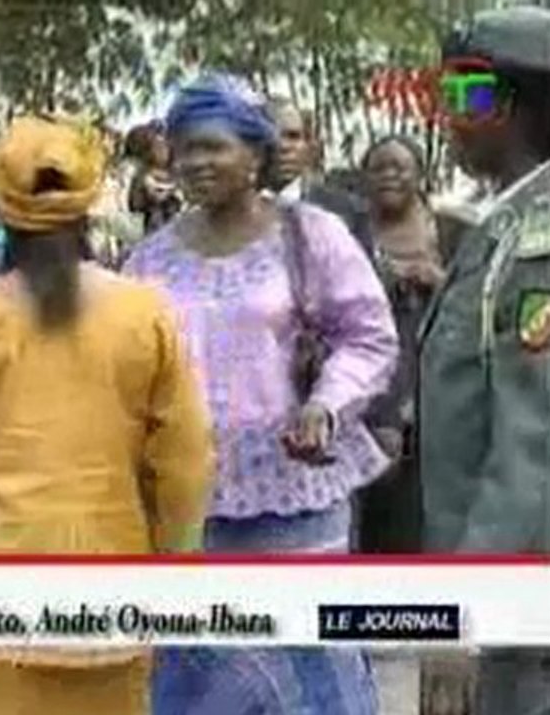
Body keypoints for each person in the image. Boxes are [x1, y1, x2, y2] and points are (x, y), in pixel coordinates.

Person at [0, 115, 214, 715]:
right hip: (112, 601)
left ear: (2, 212)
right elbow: (185, 464)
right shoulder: (145, 313)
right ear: (87, 209)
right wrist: (170, 556)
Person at [123, 73, 398, 715]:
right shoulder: (148, 261)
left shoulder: (311, 236)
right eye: (185, 147)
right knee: (197, 679)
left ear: (255, 154)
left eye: (212, 146)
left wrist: (325, 406)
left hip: (296, 504)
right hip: (191, 509)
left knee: (313, 678)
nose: (194, 161)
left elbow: (370, 337)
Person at [417, 6, 550, 715]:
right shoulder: (506, 220)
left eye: (464, 95)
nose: (448, 116)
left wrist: (466, 616)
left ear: (520, 106)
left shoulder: (541, 243)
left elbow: (535, 447)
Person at [356, 135, 444, 554]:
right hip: (362, 398)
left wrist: (437, 282)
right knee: (364, 523)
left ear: (420, 175)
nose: (389, 176)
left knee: (415, 523)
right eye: (379, 168)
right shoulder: (347, 234)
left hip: (430, 394)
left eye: (399, 167)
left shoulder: (448, 229)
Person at [267, 97, 373, 255]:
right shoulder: (228, 211)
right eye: (271, 136)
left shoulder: (347, 211)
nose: (283, 146)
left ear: (310, 146)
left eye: (293, 136)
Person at [127, 121, 183, 234]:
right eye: (157, 146)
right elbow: (135, 204)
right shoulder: (143, 175)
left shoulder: (178, 173)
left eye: (164, 145)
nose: (161, 150)